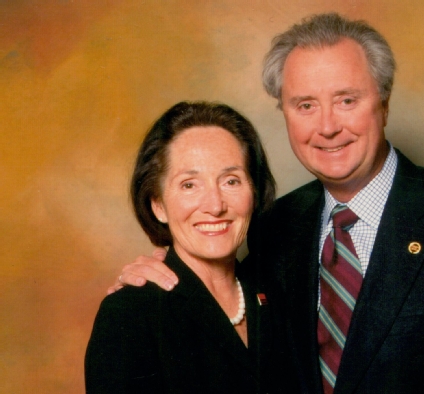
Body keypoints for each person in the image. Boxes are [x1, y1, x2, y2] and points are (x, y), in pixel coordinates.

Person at [111, 13, 424, 393]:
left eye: (346, 100)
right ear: (284, 112)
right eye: (305, 105)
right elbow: (222, 310)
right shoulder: (274, 229)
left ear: (383, 103)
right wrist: (163, 272)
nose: (327, 127)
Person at [85, 101, 290, 393]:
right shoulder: (129, 315)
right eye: (189, 185)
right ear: (158, 205)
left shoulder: (276, 294)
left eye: (231, 181)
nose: (215, 205)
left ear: (254, 193)